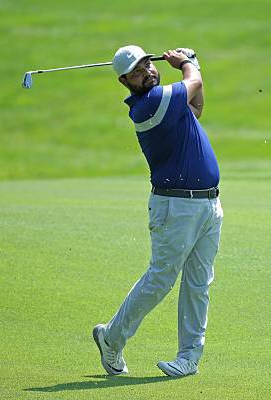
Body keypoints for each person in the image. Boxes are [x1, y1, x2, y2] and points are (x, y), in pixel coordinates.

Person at [92, 45, 223, 377]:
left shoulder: (168, 100)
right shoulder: (149, 104)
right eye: (138, 71)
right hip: (175, 206)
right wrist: (188, 62)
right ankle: (111, 338)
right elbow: (193, 83)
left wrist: (191, 69)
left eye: (148, 64)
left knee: (199, 283)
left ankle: (189, 358)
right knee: (160, 280)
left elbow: (197, 106)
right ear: (125, 82)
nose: (147, 71)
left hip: (209, 204)